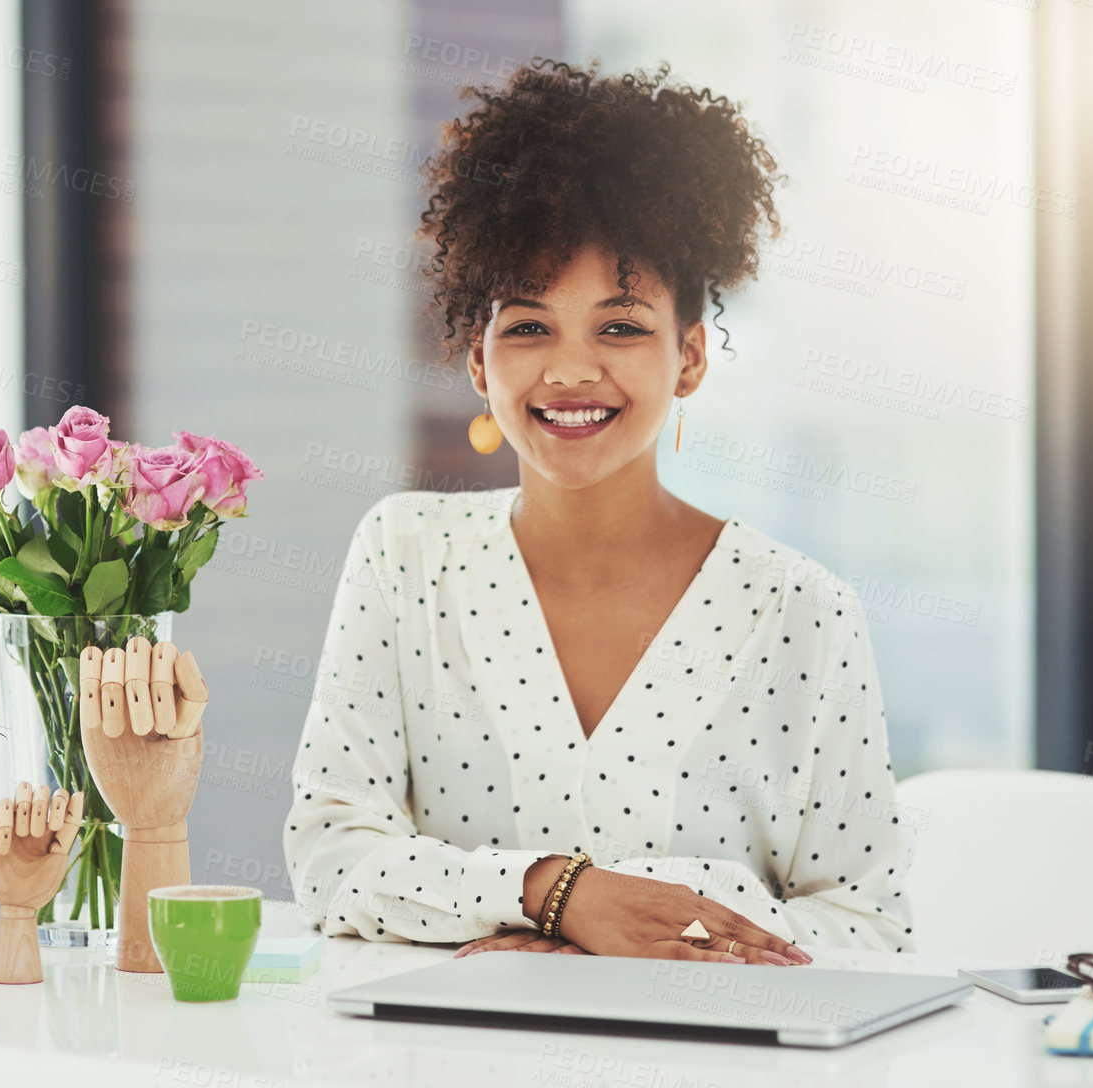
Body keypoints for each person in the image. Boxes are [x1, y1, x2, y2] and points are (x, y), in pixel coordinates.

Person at [282, 60, 915, 964]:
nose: (571, 372)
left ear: (690, 356)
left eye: (619, 327)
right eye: (529, 326)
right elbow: (333, 856)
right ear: (477, 360)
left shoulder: (799, 612)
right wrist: (554, 895)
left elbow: (872, 930)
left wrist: (635, 934)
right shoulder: (403, 556)